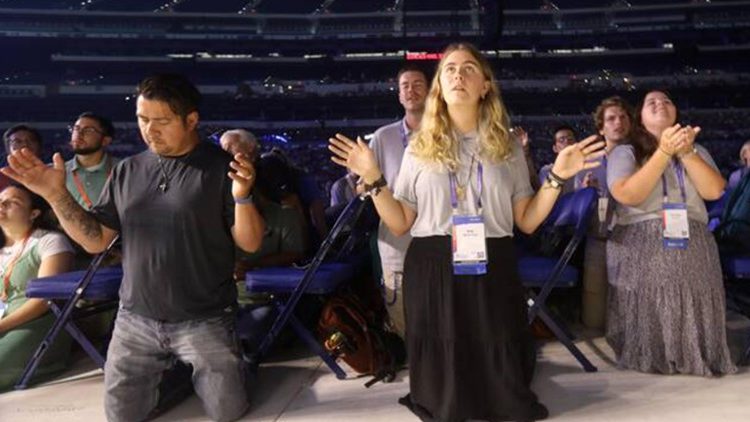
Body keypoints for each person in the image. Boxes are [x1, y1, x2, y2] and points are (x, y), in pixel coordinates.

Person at [329, 42, 603, 422]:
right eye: (450, 69)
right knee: (444, 352)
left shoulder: (507, 146)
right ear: (440, 87)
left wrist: (556, 177)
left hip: (493, 258)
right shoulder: (418, 147)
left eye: (469, 68)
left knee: (495, 344)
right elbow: (399, 222)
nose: (458, 74)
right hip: (433, 262)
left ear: (485, 85)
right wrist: (375, 179)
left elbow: (526, 220)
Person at [2, 73, 265, 421]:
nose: (149, 130)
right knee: (122, 415)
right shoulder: (128, 170)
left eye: (161, 121)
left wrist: (243, 197)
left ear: (191, 120)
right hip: (135, 318)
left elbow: (250, 242)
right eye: (142, 119)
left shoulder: (221, 168)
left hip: (206, 317)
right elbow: (96, 239)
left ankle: (237, 365)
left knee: (228, 411)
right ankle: (179, 379)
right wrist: (55, 194)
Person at [606, 89, 736, 376]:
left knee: (692, 256)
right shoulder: (625, 152)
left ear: (676, 113)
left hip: (692, 232)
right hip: (642, 232)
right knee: (658, 260)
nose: (660, 104)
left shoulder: (697, 150)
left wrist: (685, 152)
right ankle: (654, 350)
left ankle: (694, 349)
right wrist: (663, 152)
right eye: (651, 102)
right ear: (640, 117)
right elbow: (627, 194)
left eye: (666, 101)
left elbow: (714, 190)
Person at [367, 63, 428, 338]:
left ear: (430, 91)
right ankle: (410, 353)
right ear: (399, 95)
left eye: (417, 84)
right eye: (405, 86)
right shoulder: (383, 137)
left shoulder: (446, 134)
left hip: (437, 232)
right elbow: (366, 183)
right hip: (396, 237)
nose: (411, 90)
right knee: (401, 306)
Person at [0, 185, 74, 391]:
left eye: (13, 201)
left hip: (36, 323)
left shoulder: (50, 241)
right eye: (0, 199)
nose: (2, 204)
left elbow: (43, 300)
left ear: (34, 213)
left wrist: (1, 326)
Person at [578, 96, 634, 329]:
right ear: (601, 128)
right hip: (598, 238)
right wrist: (584, 193)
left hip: (631, 241)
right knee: (594, 319)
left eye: (623, 117)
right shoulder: (588, 163)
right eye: (611, 119)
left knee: (629, 311)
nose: (618, 122)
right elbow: (574, 208)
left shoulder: (641, 159)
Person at [65, 112, 120, 210]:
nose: (79, 134)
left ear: (105, 141)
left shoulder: (123, 170)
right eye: (76, 128)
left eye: (88, 130)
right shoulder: (60, 171)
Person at [538, 124, 576, 194]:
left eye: (570, 139)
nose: (567, 142)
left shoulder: (584, 168)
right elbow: (548, 195)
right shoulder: (547, 171)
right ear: (555, 148)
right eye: (561, 140)